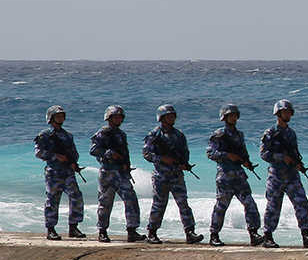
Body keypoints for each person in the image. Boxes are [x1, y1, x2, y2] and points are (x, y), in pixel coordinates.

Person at [258, 99, 308, 248]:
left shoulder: (291, 133)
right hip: (276, 176)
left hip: (292, 176)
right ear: (278, 114)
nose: (287, 115)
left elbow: (294, 153)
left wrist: (298, 164)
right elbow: (264, 154)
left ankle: (306, 235)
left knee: (302, 204)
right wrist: (281, 157)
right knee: (273, 207)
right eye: (284, 112)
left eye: (289, 112)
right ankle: (268, 237)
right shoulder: (270, 133)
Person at [142, 104, 203, 244]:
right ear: (162, 118)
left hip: (176, 175)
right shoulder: (154, 134)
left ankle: (190, 232)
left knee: (183, 204)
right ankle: (152, 232)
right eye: (168, 116)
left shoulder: (179, 135)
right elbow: (146, 154)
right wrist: (162, 159)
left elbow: (185, 153)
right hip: (161, 176)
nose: (172, 118)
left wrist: (184, 164)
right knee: (159, 205)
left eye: (173, 116)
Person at [205, 104, 263, 247]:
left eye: (235, 115)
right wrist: (227, 156)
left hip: (239, 176)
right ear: (224, 118)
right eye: (230, 115)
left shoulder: (239, 135)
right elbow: (210, 153)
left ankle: (254, 233)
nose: (233, 118)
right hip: (225, 176)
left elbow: (243, 153)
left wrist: (247, 162)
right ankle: (214, 235)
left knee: (250, 204)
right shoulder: (219, 134)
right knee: (221, 206)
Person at [89, 105, 145, 243]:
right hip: (108, 172)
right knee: (105, 203)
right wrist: (109, 153)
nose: (118, 119)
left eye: (120, 117)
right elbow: (94, 150)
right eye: (115, 117)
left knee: (131, 200)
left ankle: (132, 231)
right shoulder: (103, 133)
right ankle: (102, 231)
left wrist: (126, 165)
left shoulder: (121, 134)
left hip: (121, 173)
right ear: (109, 118)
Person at [34, 106, 85, 241]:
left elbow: (74, 153)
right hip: (54, 172)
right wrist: (55, 156)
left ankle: (73, 227)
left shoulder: (68, 135)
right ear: (51, 118)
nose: (60, 118)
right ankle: (51, 229)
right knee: (52, 200)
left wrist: (73, 162)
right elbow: (38, 153)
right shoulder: (45, 135)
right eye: (57, 116)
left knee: (76, 197)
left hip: (68, 172)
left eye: (62, 116)